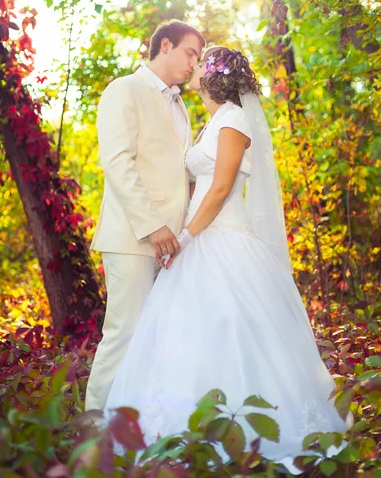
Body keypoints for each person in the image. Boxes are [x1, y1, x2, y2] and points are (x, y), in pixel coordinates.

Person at [103, 46, 353, 472]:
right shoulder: (212, 121)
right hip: (200, 237)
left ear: (216, 76)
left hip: (221, 238)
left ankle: (249, 431)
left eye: (201, 63)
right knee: (191, 333)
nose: (194, 68)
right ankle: (187, 426)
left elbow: (220, 189)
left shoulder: (235, 119)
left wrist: (186, 236)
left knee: (234, 329)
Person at [85, 20, 205, 412]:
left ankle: (134, 429)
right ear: (165, 45)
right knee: (123, 334)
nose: (194, 63)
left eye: (199, 57)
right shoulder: (124, 89)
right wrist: (154, 226)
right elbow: (118, 163)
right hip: (133, 237)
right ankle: (92, 432)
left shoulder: (181, 106)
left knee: (155, 337)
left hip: (173, 245)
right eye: (190, 52)